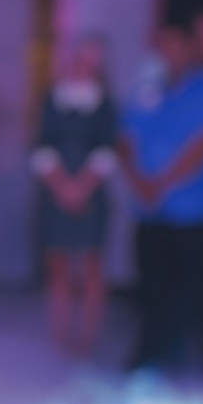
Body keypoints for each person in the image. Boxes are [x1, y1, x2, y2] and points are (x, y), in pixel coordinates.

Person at [120, 24, 203, 380]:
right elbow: (126, 138)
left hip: (193, 213)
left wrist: (163, 182)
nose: (169, 55)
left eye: (176, 46)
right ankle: (151, 356)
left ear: (190, 49)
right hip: (151, 212)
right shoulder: (146, 90)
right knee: (153, 290)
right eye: (163, 47)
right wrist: (140, 182)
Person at [32, 34, 120, 360]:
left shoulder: (105, 103)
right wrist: (60, 186)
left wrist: (81, 187)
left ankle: (87, 340)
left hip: (91, 190)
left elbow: (107, 149)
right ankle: (60, 337)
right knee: (58, 265)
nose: (85, 64)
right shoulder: (53, 98)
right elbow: (42, 144)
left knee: (92, 265)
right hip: (57, 187)